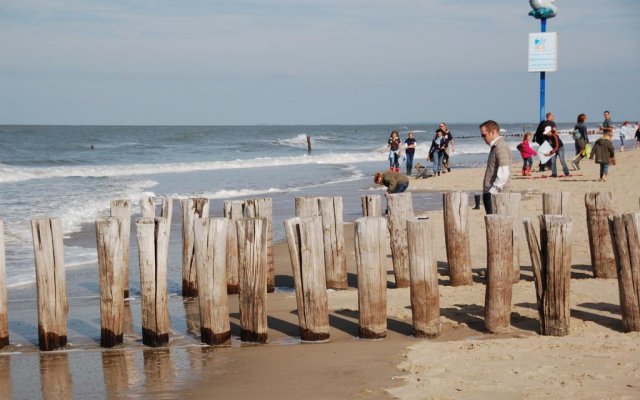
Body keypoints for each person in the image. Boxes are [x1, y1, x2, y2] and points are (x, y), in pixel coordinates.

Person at [480, 120, 511, 214]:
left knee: (496, 223)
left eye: (484, 135)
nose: (483, 138)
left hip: (497, 195)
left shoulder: (500, 147)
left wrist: (492, 191)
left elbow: (504, 172)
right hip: (493, 193)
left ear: (493, 132)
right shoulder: (496, 147)